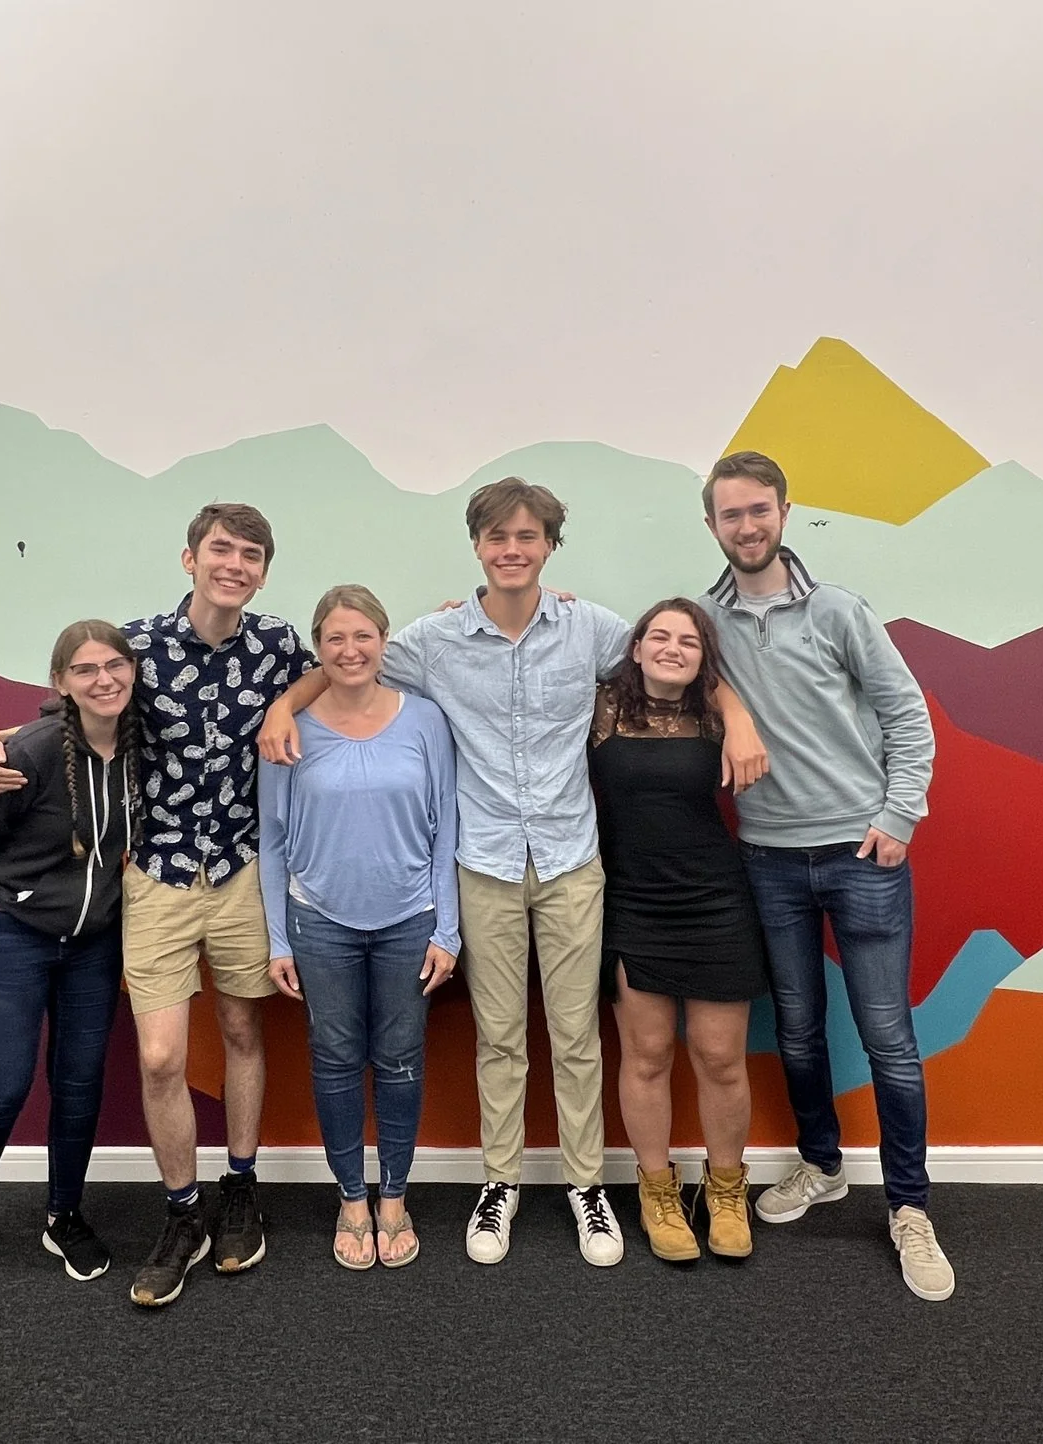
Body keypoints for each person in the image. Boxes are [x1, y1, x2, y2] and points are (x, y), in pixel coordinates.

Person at [262, 477, 766, 1269]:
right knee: (499, 1038)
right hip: (485, 863)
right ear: (477, 547)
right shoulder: (434, 642)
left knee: (576, 1038)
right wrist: (283, 707)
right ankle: (498, 1184)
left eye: (528, 538)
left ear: (548, 547)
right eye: (498, 538)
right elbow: (345, 659)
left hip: (572, 861)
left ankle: (585, 1189)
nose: (512, 550)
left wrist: (736, 716)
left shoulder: (592, 628)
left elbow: (680, 660)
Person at [0, 502, 313, 1309]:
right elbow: (78, 700)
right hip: (155, 876)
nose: (235, 564)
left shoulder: (275, 644)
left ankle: (240, 1192)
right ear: (189, 559)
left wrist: (288, 703)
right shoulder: (141, 644)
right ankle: (182, 1212)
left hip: (241, 870)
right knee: (160, 1056)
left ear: (264, 570)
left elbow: (332, 665)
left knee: (240, 1029)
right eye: (220, 550)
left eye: (251, 554)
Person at [699, 450, 954, 1302]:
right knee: (799, 1032)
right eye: (731, 514)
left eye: (759, 509)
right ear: (713, 526)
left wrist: (898, 818)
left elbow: (906, 712)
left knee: (889, 1038)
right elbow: (641, 673)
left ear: (784, 512)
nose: (747, 525)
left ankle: (911, 1207)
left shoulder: (839, 610)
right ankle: (821, 1166)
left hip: (860, 854)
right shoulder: (704, 623)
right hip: (766, 857)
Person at [0, 619, 141, 1289]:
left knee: (78, 1085)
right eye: (85, 670)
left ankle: (63, 1215)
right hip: (8, 938)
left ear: (133, 672)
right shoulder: (32, 750)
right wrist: (17, 896)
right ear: (60, 683)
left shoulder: (144, 747)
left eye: (115, 666)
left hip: (93, 945)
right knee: (5, 1084)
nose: (103, 679)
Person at [257, 584, 461, 1269]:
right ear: (320, 648)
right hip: (320, 922)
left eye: (363, 636)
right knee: (336, 1060)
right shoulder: (287, 728)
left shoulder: (426, 721)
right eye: (335, 639)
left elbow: (446, 833)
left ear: (384, 640)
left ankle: (395, 1197)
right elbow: (274, 840)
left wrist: (448, 931)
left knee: (401, 1060)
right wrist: (280, 938)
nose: (350, 650)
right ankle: (351, 1198)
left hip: (411, 920)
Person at [589, 598, 770, 1264]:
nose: (671, 647)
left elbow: (722, 689)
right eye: (657, 636)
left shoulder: (718, 711)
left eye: (687, 641)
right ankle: (657, 1189)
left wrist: (739, 711)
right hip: (632, 901)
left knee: (721, 1059)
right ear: (634, 648)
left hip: (717, 901)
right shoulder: (603, 706)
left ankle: (725, 1190)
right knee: (648, 1055)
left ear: (704, 658)